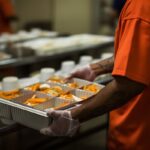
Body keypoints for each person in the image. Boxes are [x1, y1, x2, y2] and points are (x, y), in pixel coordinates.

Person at [40, 0, 150, 149]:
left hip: (138, 132)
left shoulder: (140, 6)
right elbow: (139, 54)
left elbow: (127, 85)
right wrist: (96, 68)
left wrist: (74, 116)